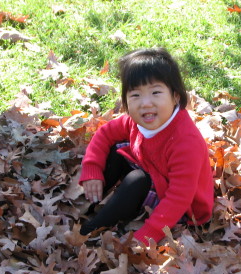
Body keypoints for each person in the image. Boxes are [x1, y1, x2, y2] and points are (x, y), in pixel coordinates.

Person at [78, 47, 214, 245]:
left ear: (175, 96)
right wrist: (93, 169)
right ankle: (88, 204)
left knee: (137, 180)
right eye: (135, 95)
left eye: (156, 92)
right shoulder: (136, 120)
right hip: (154, 170)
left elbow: (179, 198)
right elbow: (104, 133)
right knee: (115, 149)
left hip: (184, 209)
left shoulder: (185, 141)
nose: (145, 103)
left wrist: (148, 234)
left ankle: (93, 229)